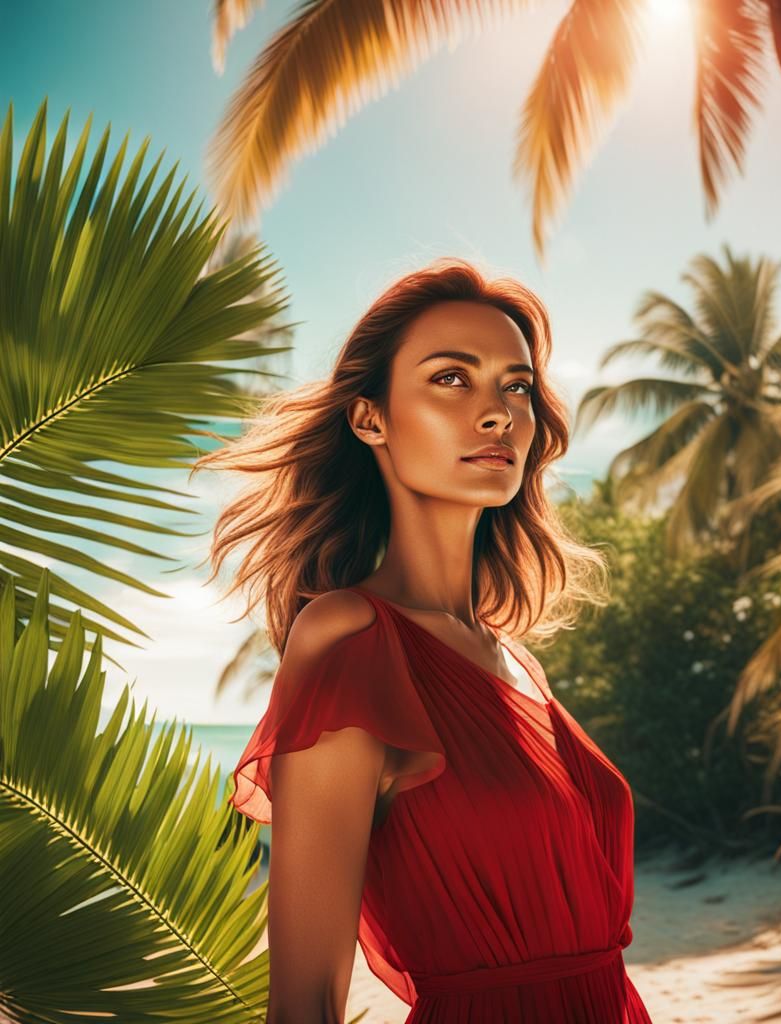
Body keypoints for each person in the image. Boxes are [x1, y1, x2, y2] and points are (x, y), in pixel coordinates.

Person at [195, 258, 653, 1022]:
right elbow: (304, 999)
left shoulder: (516, 658)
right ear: (371, 418)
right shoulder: (349, 638)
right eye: (451, 379)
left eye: (516, 385)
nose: (498, 412)